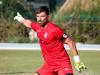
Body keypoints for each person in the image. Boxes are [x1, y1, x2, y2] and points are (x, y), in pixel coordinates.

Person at [14, 6, 86, 75]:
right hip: (49, 65)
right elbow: (29, 23)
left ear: (48, 17)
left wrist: (77, 61)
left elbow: (70, 42)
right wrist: (21, 19)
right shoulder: (37, 27)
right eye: (38, 16)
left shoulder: (54, 29)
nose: (39, 19)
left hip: (62, 64)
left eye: (42, 16)